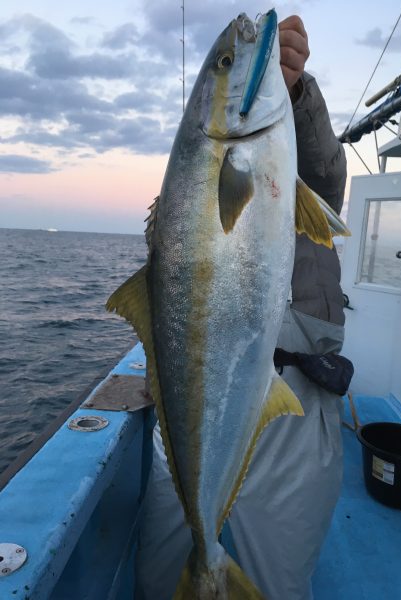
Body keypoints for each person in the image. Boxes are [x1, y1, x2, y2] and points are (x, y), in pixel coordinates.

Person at [135, 14, 347, 600]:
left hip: (293, 404)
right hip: (190, 417)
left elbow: (326, 172)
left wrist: (297, 92)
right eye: (226, 66)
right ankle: (201, 558)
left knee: (274, 580)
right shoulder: (197, 181)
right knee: (158, 578)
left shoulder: (298, 172)